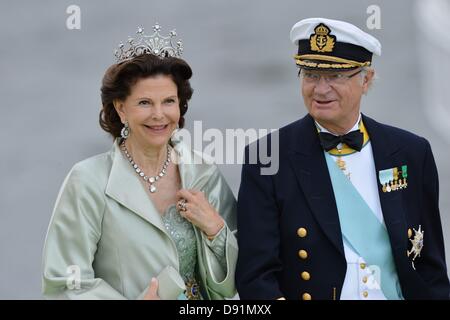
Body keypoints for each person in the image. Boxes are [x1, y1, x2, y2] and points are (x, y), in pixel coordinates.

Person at [236, 18, 450, 300]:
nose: (321, 89)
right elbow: (256, 277)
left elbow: (430, 269)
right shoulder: (267, 157)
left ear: (367, 79)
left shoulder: (411, 152)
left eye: (335, 76)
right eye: (311, 75)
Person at [42, 24, 237, 300]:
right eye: (145, 103)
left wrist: (216, 231)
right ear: (121, 108)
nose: (159, 115)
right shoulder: (88, 181)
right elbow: (63, 283)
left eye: (168, 101)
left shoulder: (204, 174)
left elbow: (240, 283)